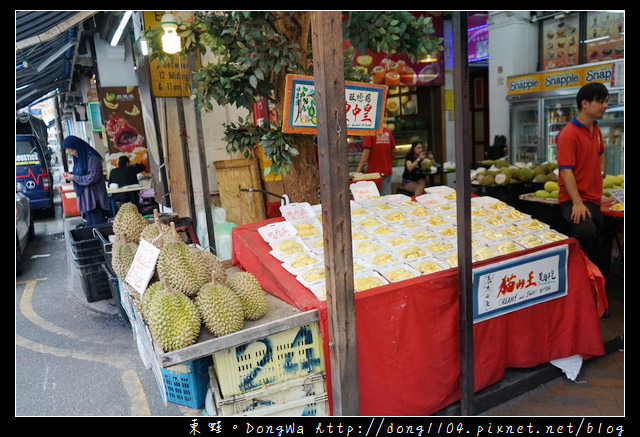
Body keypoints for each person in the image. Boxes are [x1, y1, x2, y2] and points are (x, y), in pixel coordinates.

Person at [557, 82, 608, 266]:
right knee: (587, 233)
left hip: (594, 197)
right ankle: (577, 276)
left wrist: (600, 173)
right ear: (584, 104)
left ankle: (595, 281)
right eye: (600, 101)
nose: (605, 105)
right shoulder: (569, 134)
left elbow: (601, 152)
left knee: (602, 237)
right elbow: (566, 171)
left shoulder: (596, 129)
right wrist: (577, 203)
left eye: (606, 101)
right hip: (573, 199)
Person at [62, 136, 111, 226]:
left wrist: (74, 178)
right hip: (86, 200)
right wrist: (71, 174)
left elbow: (92, 177)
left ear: (78, 148)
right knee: (91, 226)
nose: (72, 154)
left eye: (72, 151)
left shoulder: (92, 158)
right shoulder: (80, 159)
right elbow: (81, 172)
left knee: (99, 225)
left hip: (95, 200)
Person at [356, 127, 396, 196]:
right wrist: (388, 163)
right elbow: (393, 151)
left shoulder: (370, 132)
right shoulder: (388, 132)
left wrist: (358, 170)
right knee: (386, 198)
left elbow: (366, 152)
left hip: (374, 173)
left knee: (374, 198)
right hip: (387, 171)